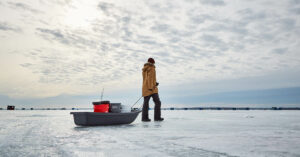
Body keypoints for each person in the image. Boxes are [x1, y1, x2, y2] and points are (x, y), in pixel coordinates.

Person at [142, 58, 164, 122]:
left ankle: (144, 118)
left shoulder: (144, 69)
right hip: (151, 89)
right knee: (157, 102)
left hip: (145, 88)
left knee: (146, 103)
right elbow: (150, 78)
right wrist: (151, 87)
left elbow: (147, 79)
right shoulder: (151, 68)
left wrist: (155, 83)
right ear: (152, 62)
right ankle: (157, 118)